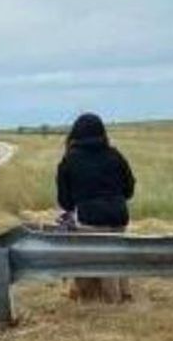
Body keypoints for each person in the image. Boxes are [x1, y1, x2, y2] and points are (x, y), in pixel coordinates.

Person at [56, 113, 136, 302]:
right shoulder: (115, 155)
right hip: (119, 215)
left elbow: (65, 202)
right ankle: (125, 294)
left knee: (97, 258)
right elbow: (129, 188)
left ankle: (109, 300)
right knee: (117, 253)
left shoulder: (69, 160)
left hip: (90, 218)